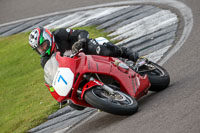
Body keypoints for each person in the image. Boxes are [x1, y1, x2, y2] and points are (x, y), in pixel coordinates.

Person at [28, 27, 139, 68]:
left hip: (86, 49)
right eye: (39, 48)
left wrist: (80, 41)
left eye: (43, 45)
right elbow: (52, 79)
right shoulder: (45, 61)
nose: (42, 49)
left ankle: (126, 52)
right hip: (77, 66)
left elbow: (82, 32)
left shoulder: (59, 34)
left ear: (48, 38)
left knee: (105, 52)